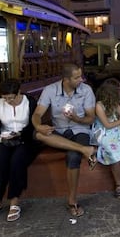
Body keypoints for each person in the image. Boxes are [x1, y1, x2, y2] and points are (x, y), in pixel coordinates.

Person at [32, 63, 97, 217]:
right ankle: (84, 149)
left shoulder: (86, 90)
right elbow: (37, 114)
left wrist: (76, 119)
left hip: (80, 130)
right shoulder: (50, 90)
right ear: (66, 79)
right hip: (59, 131)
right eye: (77, 77)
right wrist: (39, 126)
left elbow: (90, 119)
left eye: (81, 76)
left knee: (73, 156)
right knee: (38, 134)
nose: (81, 80)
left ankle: (72, 201)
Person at [0, 79, 37, 223]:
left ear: (19, 92)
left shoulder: (29, 101)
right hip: (4, 139)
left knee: (17, 162)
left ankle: (14, 202)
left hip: (24, 139)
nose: (8, 101)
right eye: (5, 98)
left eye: (11, 97)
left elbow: (34, 124)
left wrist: (20, 134)